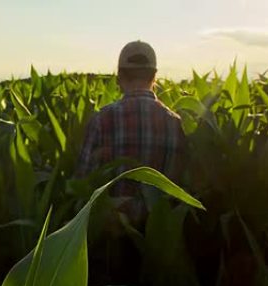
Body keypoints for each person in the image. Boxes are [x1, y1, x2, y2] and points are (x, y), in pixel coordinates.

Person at [76, 40, 188, 225]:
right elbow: (184, 186)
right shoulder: (175, 124)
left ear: (119, 77)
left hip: (109, 242)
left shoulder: (101, 120)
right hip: (160, 239)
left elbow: (82, 184)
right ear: (154, 77)